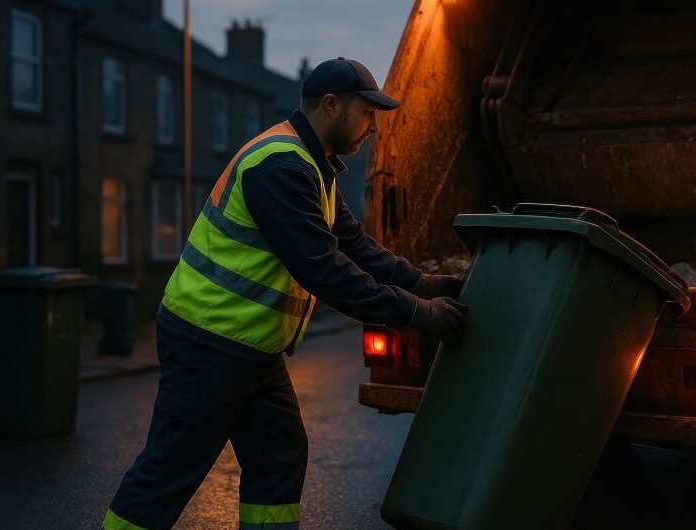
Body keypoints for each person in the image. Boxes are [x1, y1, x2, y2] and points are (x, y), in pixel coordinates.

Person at [102, 57, 468, 530]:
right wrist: (418, 313)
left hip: (248, 347)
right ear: (332, 105)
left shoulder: (313, 167)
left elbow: (352, 244)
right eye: (367, 113)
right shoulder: (280, 165)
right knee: (169, 470)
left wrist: (421, 282)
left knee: (279, 456)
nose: (373, 128)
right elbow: (325, 270)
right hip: (209, 339)